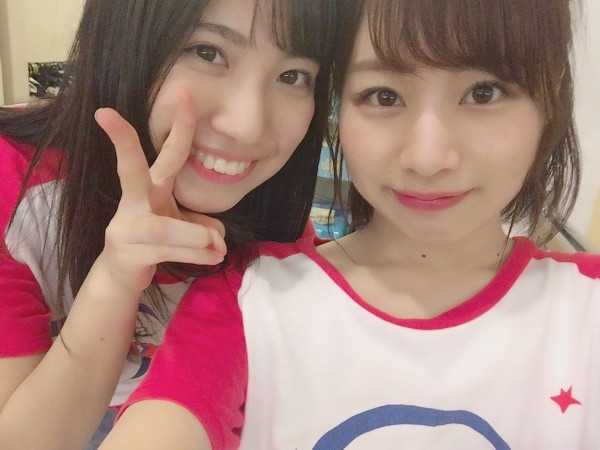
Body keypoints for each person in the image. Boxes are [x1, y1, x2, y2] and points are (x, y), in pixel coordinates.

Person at [101, 0, 600, 448]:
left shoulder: (585, 309)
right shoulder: (247, 300)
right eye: (384, 96)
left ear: (549, 101)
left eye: (483, 93)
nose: (427, 158)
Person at [0, 0, 336, 448]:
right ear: (121, 40)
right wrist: (116, 279)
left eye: (293, 76)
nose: (247, 126)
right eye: (208, 52)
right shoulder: (17, 183)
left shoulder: (275, 220)